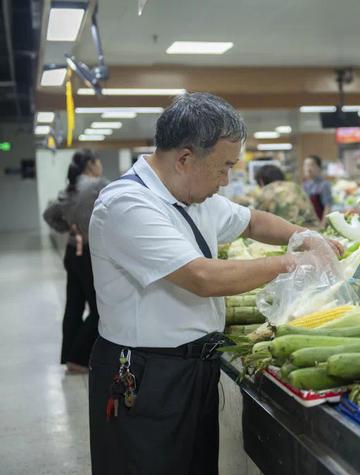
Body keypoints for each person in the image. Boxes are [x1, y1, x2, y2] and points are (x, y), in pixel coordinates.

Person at [87, 92, 342, 475]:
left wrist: (309, 237)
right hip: (147, 375)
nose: (225, 181)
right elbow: (201, 277)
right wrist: (293, 262)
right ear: (185, 158)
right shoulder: (127, 206)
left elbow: (253, 221)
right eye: (222, 168)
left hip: (195, 370)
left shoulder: (192, 195)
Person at [43, 149, 108, 374]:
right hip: (90, 253)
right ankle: (79, 358)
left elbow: (49, 214)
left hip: (73, 252)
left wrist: (70, 229)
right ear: (91, 164)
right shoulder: (98, 186)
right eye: (98, 161)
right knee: (100, 309)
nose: (101, 166)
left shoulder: (69, 189)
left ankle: (70, 357)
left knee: (74, 306)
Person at [254, 164, 320, 228]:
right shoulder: (295, 187)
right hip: (312, 232)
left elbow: (255, 220)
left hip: (285, 235)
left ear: (261, 181)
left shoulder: (266, 191)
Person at [302, 155, 333, 223]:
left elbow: (327, 207)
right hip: (308, 224)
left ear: (319, 167)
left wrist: (322, 225)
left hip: (320, 223)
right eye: (306, 165)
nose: (308, 168)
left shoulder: (324, 185)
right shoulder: (305, 185)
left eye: (311, 165)